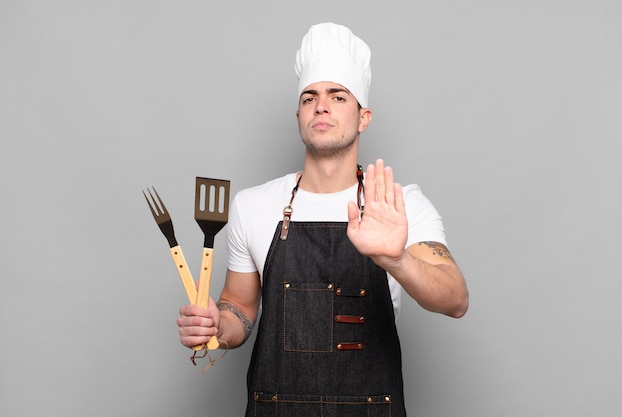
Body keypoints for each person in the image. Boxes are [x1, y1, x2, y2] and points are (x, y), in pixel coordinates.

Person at [177, 22, 469, 416]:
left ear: (364, 117)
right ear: (298, 114)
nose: (322, 105)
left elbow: (455, 299)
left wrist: (396, 259)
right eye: (310, 96)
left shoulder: (400, 206)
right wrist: (216, 326)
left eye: (338, 96)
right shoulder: (254, 205)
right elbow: (239, 309)